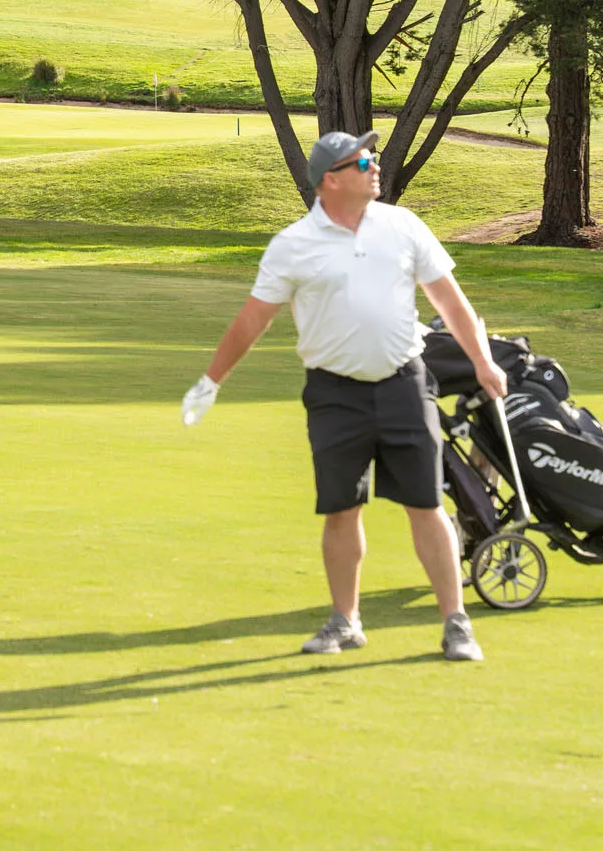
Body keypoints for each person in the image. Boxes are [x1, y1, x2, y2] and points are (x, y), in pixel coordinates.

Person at [181, 131, 507, 662]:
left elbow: (449, 301)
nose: (374, 165)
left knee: (426, 505)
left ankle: (456, 623)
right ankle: (345, 621)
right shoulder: (293, 244)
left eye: (372, 157)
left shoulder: (402, 225)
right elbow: (253, 319)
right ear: (329, 181)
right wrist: (212, 380)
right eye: (361, 162)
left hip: (404, 384)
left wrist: (482, 360)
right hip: (334, 394)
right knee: (341, 510)